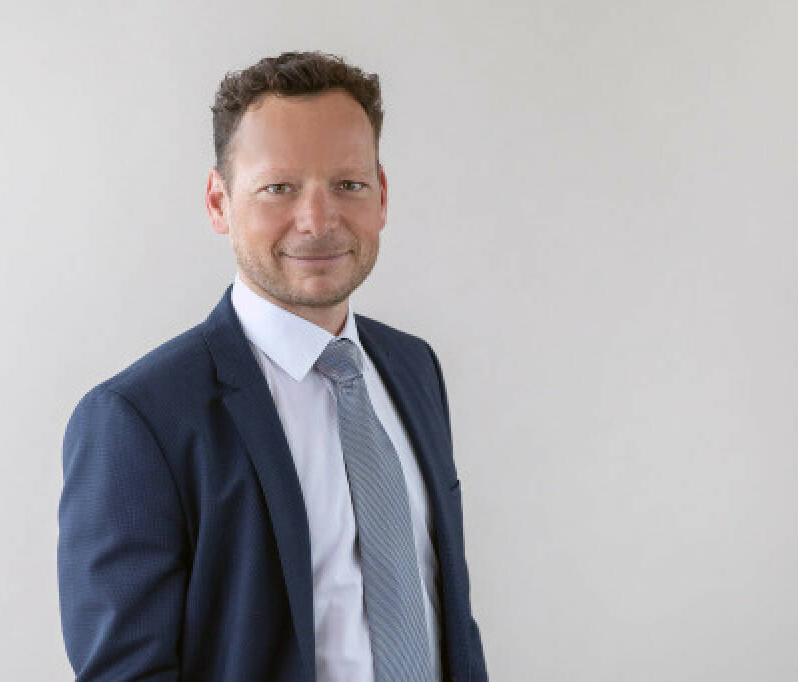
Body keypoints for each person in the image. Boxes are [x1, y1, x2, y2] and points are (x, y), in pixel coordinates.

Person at [58, 51, 488, 682]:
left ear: (382, 196)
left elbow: (446, 616)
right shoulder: (138, 420)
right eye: (279, 188)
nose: (318, 220)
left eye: (348, 185)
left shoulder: (414, 368)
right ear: (219, 202)